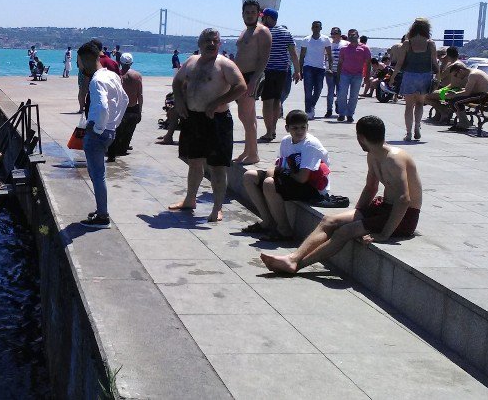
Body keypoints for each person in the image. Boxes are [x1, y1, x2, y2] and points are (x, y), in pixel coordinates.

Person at [260, 115, 422, 274]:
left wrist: (384, 234)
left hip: (404, 216)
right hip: (384, 207)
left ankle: (297, 264)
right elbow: (371, 187)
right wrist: (358, 212)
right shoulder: (373, 154)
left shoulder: (393, 159)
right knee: (329, 220)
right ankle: (294, 257)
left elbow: (404, 199)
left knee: (344, 231)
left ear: (361, 137)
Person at [169, 28, 248, 221]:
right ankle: (190, 199)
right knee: (194, 162)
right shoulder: (191, 62)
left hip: (217, 121)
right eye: (207, 40)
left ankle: (217, 208)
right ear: (199, 43)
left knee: (217, 166)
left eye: (214, 41)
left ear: (220, 44)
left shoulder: (224, 64)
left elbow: (241, 86)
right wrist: (179, 101)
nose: (211, 44)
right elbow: (177, 83)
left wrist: (217, 102)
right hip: (193, 119)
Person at [241, 110, 330, 241]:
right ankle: (267, 221)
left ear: (307, 127)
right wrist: (274, 174)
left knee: (269, 184)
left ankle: (285, 230)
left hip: (312, 187)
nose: (299, 131)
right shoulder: (286, 141)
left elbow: (302, 178)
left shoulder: (310, 145)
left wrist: (277, 175)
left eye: (303, 128)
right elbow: (280, 165)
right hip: (293, 178)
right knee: (249, 176)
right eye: (295, 128)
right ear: (287, 128)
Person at [77, 42, 128, 228]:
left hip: (98, 133)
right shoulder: (112, 75)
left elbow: (102, 107)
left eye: (79, 62)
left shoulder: (96, 80)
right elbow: (125, 100)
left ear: (85, 60)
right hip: (110, 131)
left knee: (97, 174)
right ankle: (100, 210)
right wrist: (114, 124)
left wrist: (97, 128)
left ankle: (103, 216)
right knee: (98, 173)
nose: (79, 66)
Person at [233, 0, 272, 164]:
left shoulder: (262, 31)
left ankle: (254, 154)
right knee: (248, 116)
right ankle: (248, 151)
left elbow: (264, 58)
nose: (249, 15)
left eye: (252, 12)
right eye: (246, 12)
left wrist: (254, 81)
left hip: (251, 77)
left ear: (258, 14)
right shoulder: (245, 31)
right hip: (241, 77)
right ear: (242, 14)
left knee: (245, 116)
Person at [389, 18, 438, 142]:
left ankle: (409, 133)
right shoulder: (430, 43)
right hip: (425, 75)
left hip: (409, 75)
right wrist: (439, 76)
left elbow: (399, 63)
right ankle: (417, 126)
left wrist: (392, 77)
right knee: (420, 103)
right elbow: (434, 62)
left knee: (409, 106)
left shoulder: (407, 43)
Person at [259, 8, 301, 142]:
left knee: (267, 101)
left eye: (263, 17)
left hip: (267, 71)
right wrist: (297, 71)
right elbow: (293, 53)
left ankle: (268, 132)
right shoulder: (286, 32)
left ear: (268, 18)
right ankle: (273, 129)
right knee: (277, 101)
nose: (261, 19)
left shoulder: (263, 31)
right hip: (283, 71)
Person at [108, 53, 143, 162]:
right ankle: (123, 147)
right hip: (133, 107)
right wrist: (140, 110)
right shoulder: (137, 76)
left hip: (120, 108)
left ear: (120, 62)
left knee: (117, 131)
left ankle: (118, 147)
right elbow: (140, 95)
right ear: (131, 63)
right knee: (129, 132)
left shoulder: (117, 75)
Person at [442, 62, 488, 131]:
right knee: (453, 100)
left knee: (455, 101)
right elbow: (468, 90)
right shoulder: (472, 73)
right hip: (479, 94)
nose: (457, 77)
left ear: (460, 71)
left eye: (456, 75)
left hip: (484, 96)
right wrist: (455, 93)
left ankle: (464, 123)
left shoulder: (473, 75)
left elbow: (467, 93)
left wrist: (453, 94)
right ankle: (463, 122)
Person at [336, 29, 372, 123]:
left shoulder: (364, 48)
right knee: (342, 94)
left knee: (354, 95)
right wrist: (338, 75)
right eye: (349, 35)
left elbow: (368, 64)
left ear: (358, 36)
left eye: (353, 35)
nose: (351, 37)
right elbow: (340, 63)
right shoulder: (344, 48)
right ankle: (342, 113)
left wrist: (367, 77)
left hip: (357, 75)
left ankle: (350, 114)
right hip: (345, 74)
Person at [299, 20, 333, 119]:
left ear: (321, 28)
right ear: (311, 28)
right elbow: (302, 56)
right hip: (308, 67)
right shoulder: (306, 39)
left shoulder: (325, 39)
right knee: (308, 91)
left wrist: (329, 68)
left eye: (317, 27)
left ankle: (312, 105)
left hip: (320, 68)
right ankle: (308, 111)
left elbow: (329, 55)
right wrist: (300, 70)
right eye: (314, 26)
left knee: (318, 89)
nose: (316, 28)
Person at [324, 27, 347, 118]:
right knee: (330, 91)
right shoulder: (328, 44)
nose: (334, 35)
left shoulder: (345, 44)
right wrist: (327, 68)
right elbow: (325, 57)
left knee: (340, 91)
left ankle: (338, 104)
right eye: (332, 33)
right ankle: (329, 110)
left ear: (340, 34)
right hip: (330, 71)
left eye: (336, 33)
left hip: (341, 72)